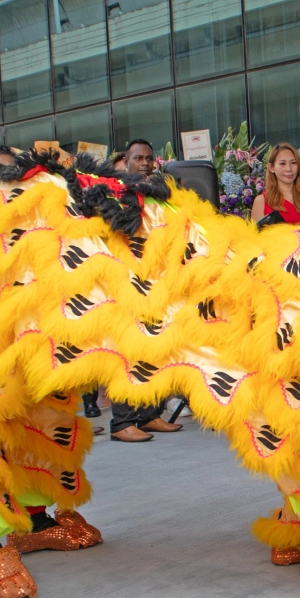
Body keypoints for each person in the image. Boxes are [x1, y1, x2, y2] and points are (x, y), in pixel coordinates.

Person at [108, 138, 182, 442]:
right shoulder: (116, 194)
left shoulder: (159, 195)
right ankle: (122, 423)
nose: (145, 163)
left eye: (149, 158)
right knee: (126, 354)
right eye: (139, 158)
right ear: (126, 162)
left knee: (155, 348)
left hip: (156, 282)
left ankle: (150, 415)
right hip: (126, 282)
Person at [250, 143, 300, 225]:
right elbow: (255, 237)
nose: (289, 169)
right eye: (282, 163)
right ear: (271, 167)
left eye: (293, 163)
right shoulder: (261, 202)